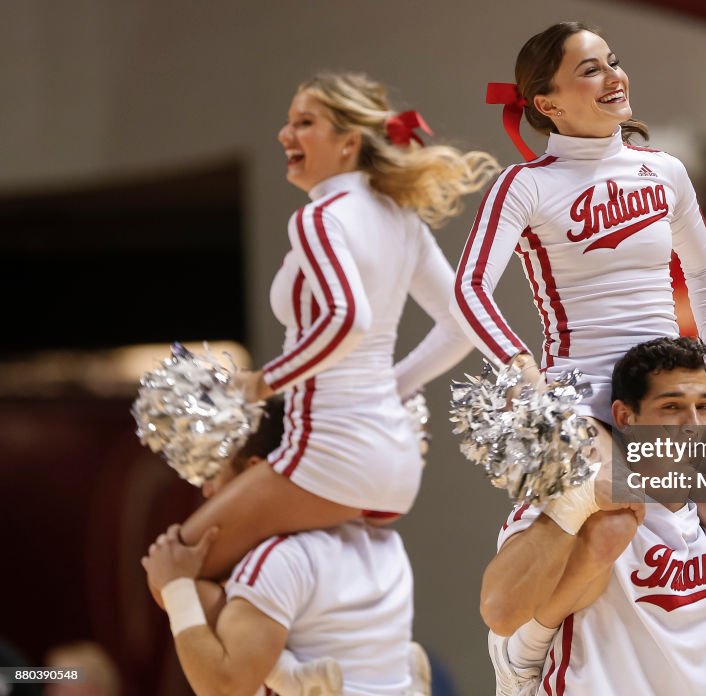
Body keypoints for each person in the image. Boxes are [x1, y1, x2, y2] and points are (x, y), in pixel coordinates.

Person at [452, 19, 706, 657]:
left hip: (673, 394)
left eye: (613, 62)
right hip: (586, 400)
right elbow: (470, 287)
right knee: (605, 537)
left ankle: (700, 666)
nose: (614, 78)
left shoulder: (662, 171)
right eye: (590, 69)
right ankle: (528, 658)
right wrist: (524, 371)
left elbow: (705, 267)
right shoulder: (525, 184)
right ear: (547, 104)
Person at [174, 71, 498, 577]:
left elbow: (347, 320)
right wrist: (395, 387)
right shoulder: (400, 217)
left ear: (348, 142)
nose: (285, 135)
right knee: (274, 579)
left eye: (303, 123)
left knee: (175, 568)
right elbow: (463, 323)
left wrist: (263, 382)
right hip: (396, 464)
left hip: (330, 452)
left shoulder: (322, 216)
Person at [483, 337, 706, 695]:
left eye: (704, 407)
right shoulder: (587, 510)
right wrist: (569, 509)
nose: (692, 424)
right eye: (672, 407)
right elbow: (499, 610)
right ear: (625, 417)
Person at [143, 399, 429, 696]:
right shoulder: (387, 544)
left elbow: (225, 688)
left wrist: (176, 588)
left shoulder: (279, 558)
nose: (207, 489)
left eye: (216, 470)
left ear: (254, 473)